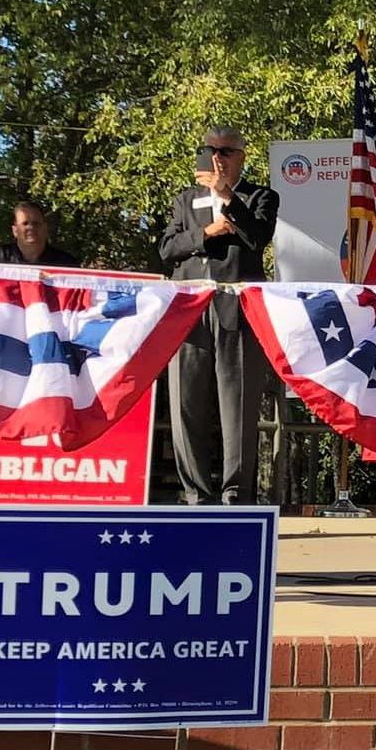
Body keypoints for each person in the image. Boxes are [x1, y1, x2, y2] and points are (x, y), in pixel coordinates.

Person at [158, 127, 277, 505]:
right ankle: (195, 494)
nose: (217, 158)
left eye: (225, 151)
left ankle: (235, 496)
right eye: (210, 150)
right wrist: (206, 234)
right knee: (185, 404)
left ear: (242, 155)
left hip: (237, 309)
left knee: (238, 407)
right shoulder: (185, 199)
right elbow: (166, 249)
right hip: (190, 310)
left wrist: (227, 196)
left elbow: (257, 237)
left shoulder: (259, 196)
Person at [0, 201, 79, 267]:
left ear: (45, 228)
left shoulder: (66, 263)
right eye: (25, 223)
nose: (31, 228)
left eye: (36, 223)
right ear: (15, 230)